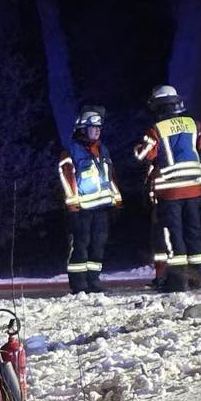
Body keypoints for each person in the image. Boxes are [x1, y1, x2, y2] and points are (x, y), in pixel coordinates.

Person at [134, 85, 201, 292]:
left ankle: (178, 282)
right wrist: (200, 182)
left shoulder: (156, 129)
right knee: (194, 234)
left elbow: (144, 155)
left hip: (170, 192)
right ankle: (197, 279)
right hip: (195, 191)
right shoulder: (195, 125)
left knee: (173, 236)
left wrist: (138, 147)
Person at [56, 106, 122, 294]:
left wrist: (117, 201)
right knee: (81, 245)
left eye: (99, 128)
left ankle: (93, 281)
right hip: (81, 210)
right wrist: (73, 207)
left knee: (98, 244)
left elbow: (110, 177)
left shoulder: (103, 150)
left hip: (102, 207)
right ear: (83, 129)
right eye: (94, 128)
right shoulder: (71, 151)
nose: (97, 131)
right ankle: (78, 284)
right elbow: (67, 179)